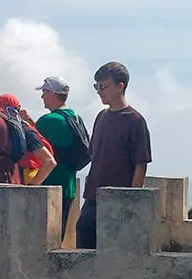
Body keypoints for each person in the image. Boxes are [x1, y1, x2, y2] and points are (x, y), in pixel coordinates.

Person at [76, 61, 152, 249]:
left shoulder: (135, 121)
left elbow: (140, 165)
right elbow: (94, 154)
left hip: (119, 201)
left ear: (120, 86)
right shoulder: (101, 117)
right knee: (84, 242)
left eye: (104, 86)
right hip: (93, 198)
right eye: (97, 87)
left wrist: (131, 202)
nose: (100, 91)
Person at [32, 76, 87, 242]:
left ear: (52, 93)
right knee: (56, 241)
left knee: (39, 243)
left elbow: (30, 144)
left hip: (47, 186)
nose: (42, 96)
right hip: (68, 186)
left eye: (44, 92)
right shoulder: (75, 118)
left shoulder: (48, 120)